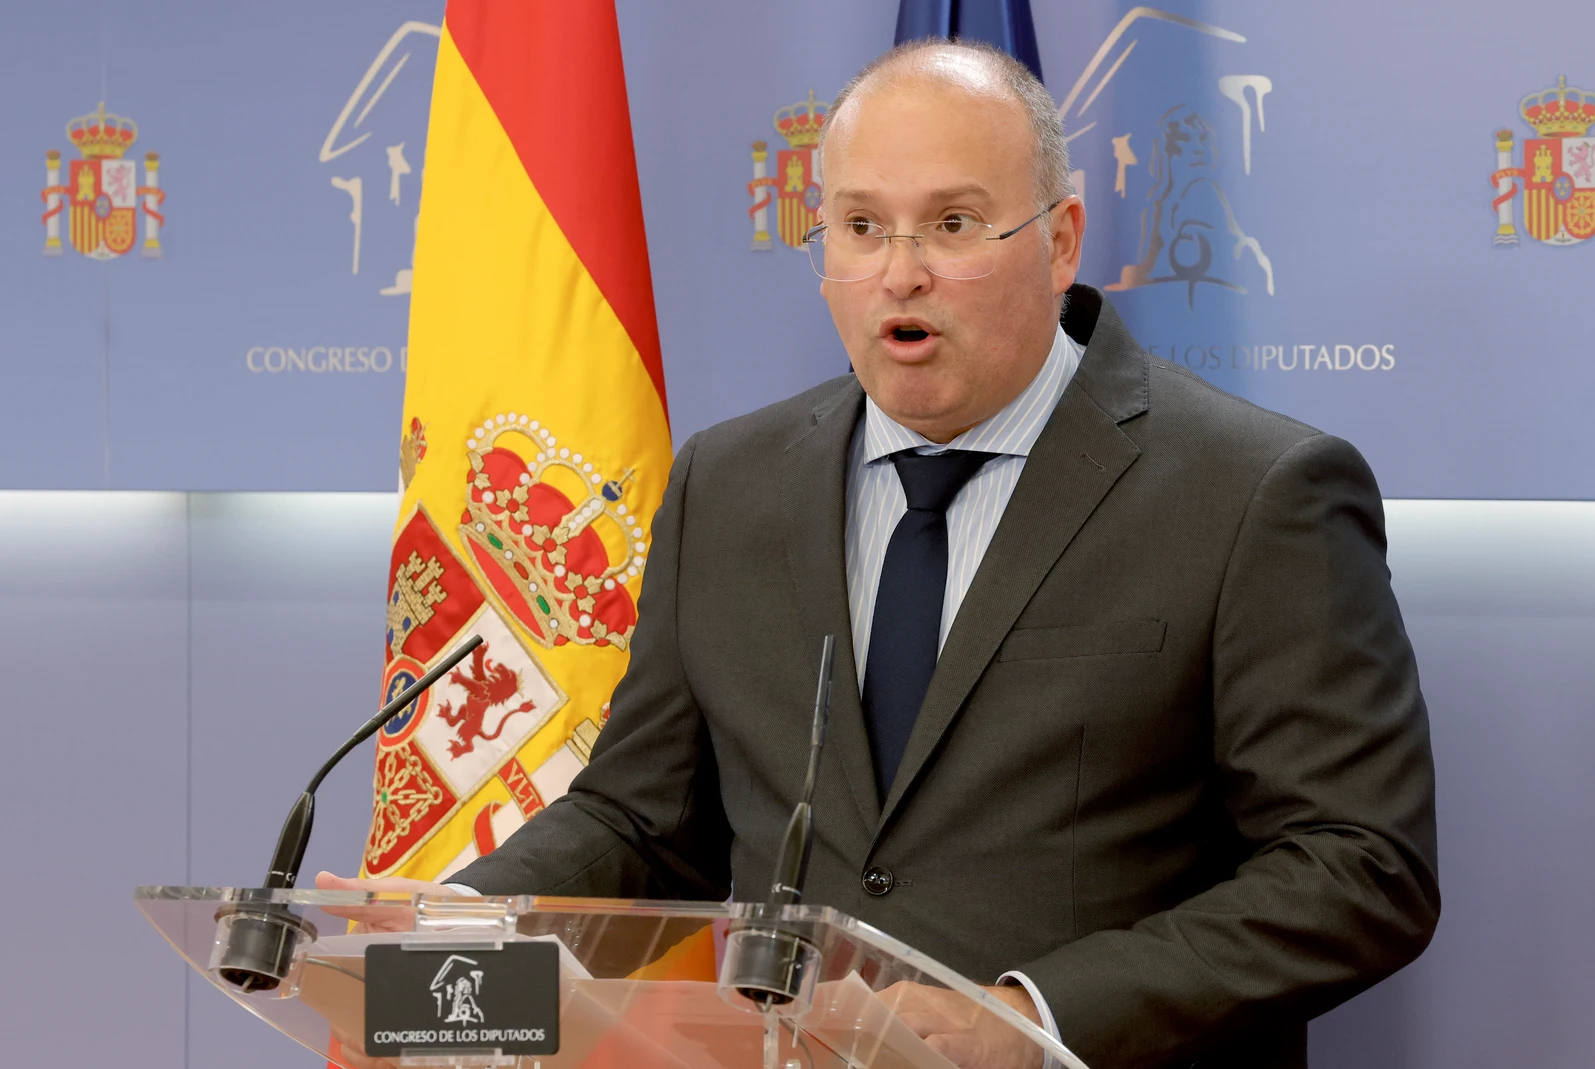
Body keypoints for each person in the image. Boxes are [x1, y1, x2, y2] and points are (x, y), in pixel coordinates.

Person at [320, 39, 1438, 1069]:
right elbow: (643, 819)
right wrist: (457, 926)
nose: (899, 271)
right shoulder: (728, 484)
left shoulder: (1253, 491)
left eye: (952, 224)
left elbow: (1358, 867)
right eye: (860, 227)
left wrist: (1033, 1016)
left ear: (1058, 239)